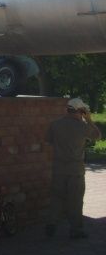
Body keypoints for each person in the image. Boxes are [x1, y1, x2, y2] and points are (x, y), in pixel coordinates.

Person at [45, 97, 101, 238]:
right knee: (75, 201)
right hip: (75, 170)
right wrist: (88, 119)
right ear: (80, 111)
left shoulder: (55, 124)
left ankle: (51, 223)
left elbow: (49, 141)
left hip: (58, 168)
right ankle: (76, 230)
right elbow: (98, 136)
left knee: (56, 197)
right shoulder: (83, 126)